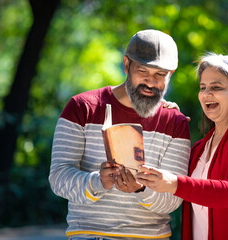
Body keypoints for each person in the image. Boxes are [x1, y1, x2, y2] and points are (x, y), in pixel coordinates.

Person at [48, 29, 191, 240]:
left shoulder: (175, 122)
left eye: (160, 75)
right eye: (143, 71)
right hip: (91, 236)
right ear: (126, 64)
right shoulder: (82, 108)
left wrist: (142, 189)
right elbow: (58, 177)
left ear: (171, 74)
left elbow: (173, 199)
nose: (151, 82)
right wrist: (98, 181)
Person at [137, 53, 228, 240]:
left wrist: (175, 184)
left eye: (216, 87)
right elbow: (181, 183)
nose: (207, 94)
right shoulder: (200, 147)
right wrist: (167, 121)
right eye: (203, 87)